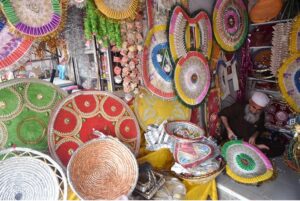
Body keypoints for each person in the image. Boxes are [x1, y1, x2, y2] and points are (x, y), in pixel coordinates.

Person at [218, 91, 285, 157]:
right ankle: (253, 150)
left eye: (259, 109)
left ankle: (253, 150)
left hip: (250, 141)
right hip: (233, 139)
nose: (255, 111)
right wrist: (228, 130)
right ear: (250, 102)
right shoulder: (239, 107)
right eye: (253, 107)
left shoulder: (261, 114)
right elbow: (223, 114)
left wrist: (254, 136)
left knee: (280, 147)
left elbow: (260, 127)